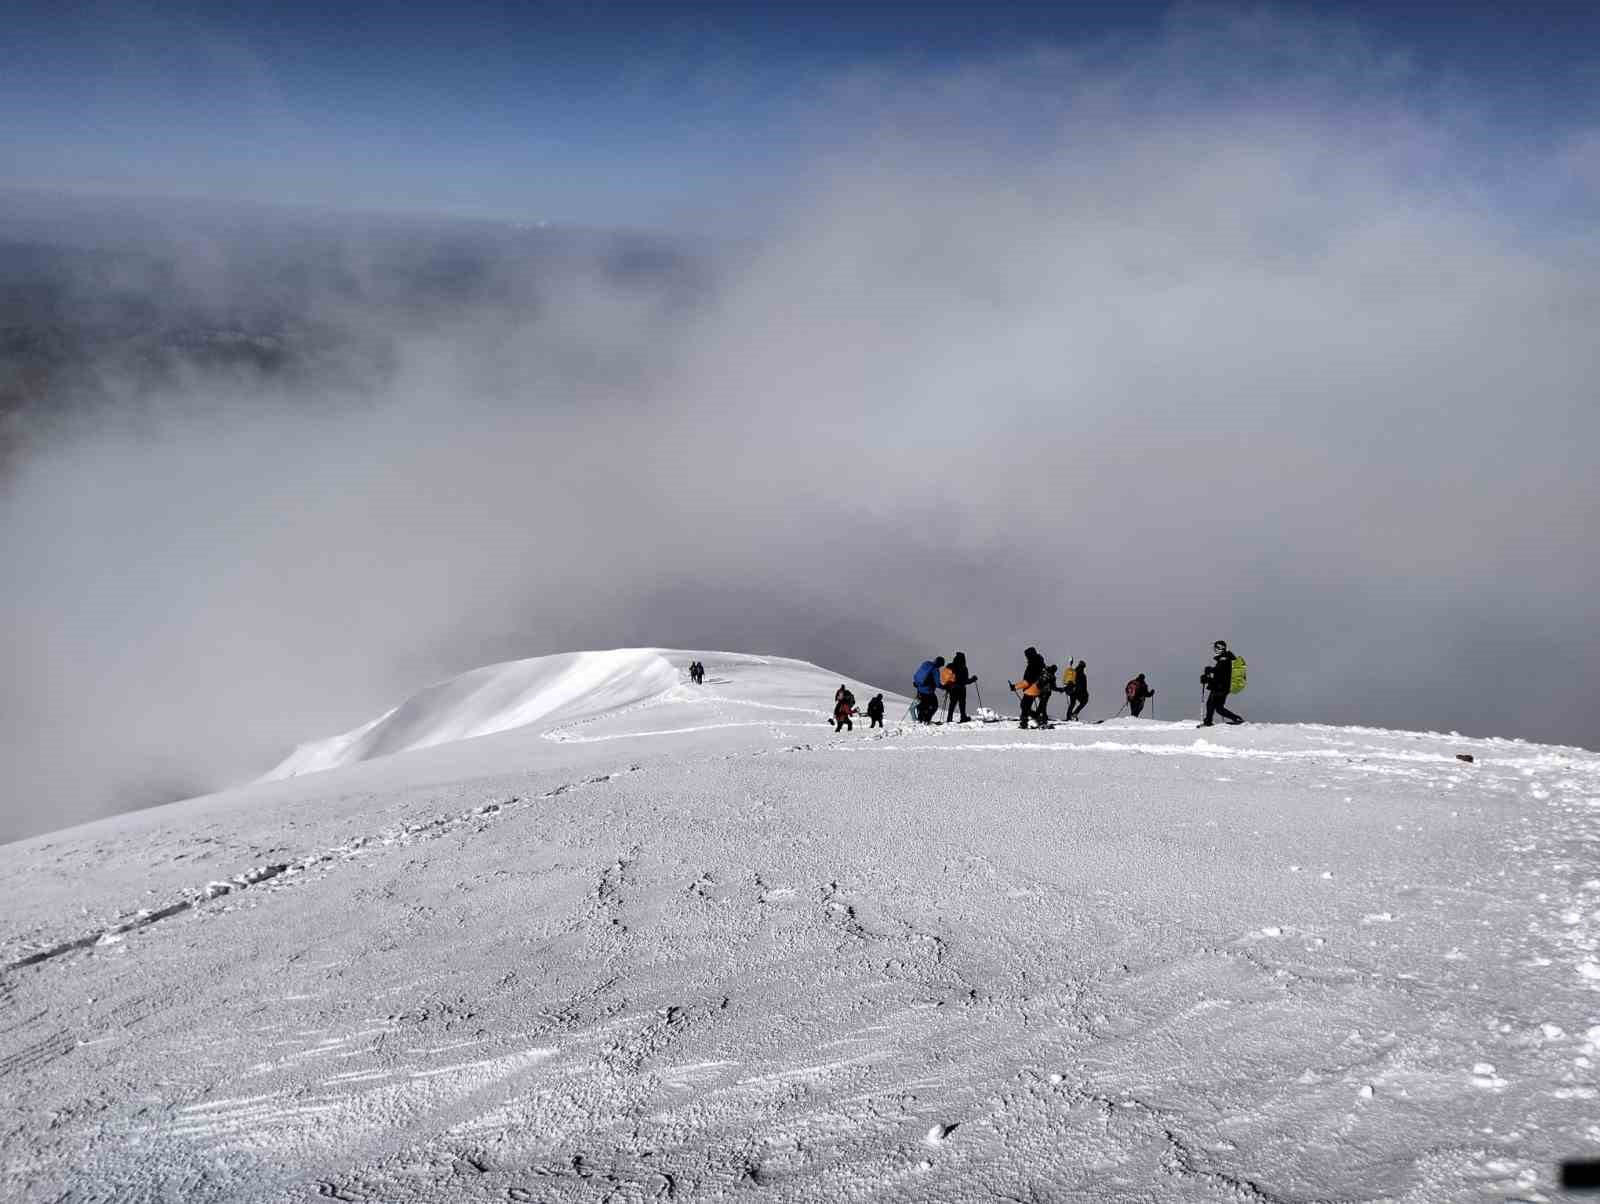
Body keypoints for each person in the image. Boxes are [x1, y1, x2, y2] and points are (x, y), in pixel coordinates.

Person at [1200, 640, 1244, 727]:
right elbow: (1220, 674)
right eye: (1215, 648)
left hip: (1221, 687)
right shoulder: (1225, 658)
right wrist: (1209, 676)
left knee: (1212, 704)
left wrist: (1209, 675)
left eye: (1216, 648)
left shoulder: (1225, 659)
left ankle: (1208, 722)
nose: (1215, 650)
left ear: (1221, 648)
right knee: (1218, 707)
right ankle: (1236, 719)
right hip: (1222, 687)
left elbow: (1221, 674)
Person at [1010, 647, 1046, 729]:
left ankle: (1035, 720)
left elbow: (1027, 681)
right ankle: (1028, 721)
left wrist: (1015, 687)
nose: (1026, 657)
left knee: (1024, 706)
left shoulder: (1032, 665)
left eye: (1026, 655)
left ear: (1030, 655)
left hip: (1031, 689)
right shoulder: (1039, 662)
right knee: (1025, 706)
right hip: (1037, 687)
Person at [942, 652, 977, 723]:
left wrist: (947, 686)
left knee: (952, 703)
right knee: (962, 703)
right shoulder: (964, 667)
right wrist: (973, 679)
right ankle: (963, 717)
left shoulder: (949, 666)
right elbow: (965, 681)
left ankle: (949, 718)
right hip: (961, 688)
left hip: (952, 688)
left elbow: (945, 678)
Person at [913, 656, 945, 723]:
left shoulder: (926, 663)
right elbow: (938, 684)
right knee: (934, 705)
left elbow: (918, 673)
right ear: (940, 664)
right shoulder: (935, 670)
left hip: (919, 688)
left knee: (923, 705)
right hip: (928, 691)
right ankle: (926, 720)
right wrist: (945, 687)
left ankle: (920, 719)